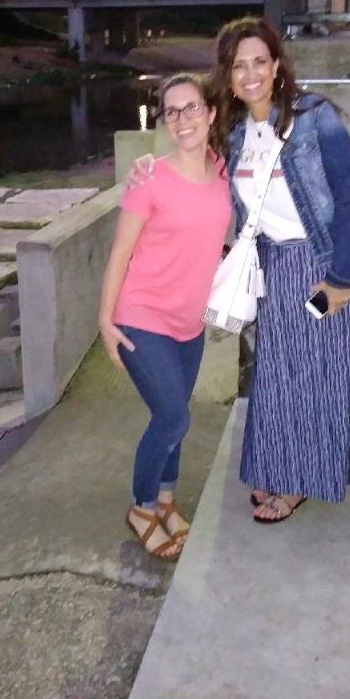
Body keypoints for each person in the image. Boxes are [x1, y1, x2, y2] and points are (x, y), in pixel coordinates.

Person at [129, 17, 350, 524]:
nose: (250, 74)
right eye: (238, 66)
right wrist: (146, 166)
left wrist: (341, 281)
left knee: (316, 377)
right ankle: (280, 466)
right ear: (228, 75)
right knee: (278, 377)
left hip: (323, 267)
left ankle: (300, 482)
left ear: (277, 65)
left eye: (259, 61)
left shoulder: (316, 117)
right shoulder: (237, 133)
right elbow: (195, 163)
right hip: (276, 270)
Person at [99, 72, 232, 560]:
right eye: (171, 112)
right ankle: (141, 507)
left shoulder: (223, 169)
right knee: (173, 416)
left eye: (191, 107)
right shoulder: (150, 179)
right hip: (142, 315)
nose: (182, 119)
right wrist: (105, 321)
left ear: (210, 113)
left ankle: (166, 501)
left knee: (174, 417)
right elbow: (119, 254)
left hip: (189, 323)